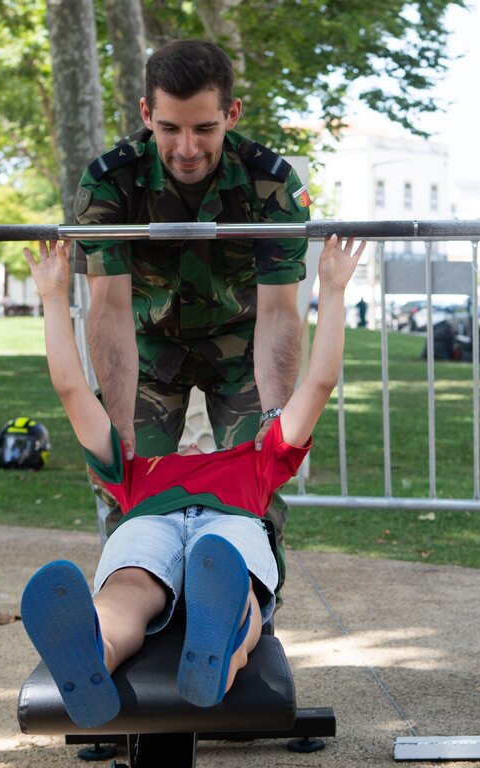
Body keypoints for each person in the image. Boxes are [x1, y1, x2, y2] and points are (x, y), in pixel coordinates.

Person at [20, 233, 365, 729]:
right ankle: (93, 652)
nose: (190, 439)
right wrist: (53, 299)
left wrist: (332, 290)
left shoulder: (258, 457)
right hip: (154, 522)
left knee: (222, 574)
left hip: (219, 530)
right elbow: (73, 391)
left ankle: (218, 650)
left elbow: (319, 383)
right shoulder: (132, 465)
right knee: (128, 589)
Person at [73, 39, 312, 568]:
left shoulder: (271, 185)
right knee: (130, 490)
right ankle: (133, 612)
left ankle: (249, 614)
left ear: (231, 114)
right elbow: (109, 309)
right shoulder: (111, 181)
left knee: (257, 495)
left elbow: (278, 312)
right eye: (169, 128)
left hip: (242, 349)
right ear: (146, 114)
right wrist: (116, 424)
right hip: (148, 348)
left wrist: (276, 416)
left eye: (204, 128)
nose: (186, 148)